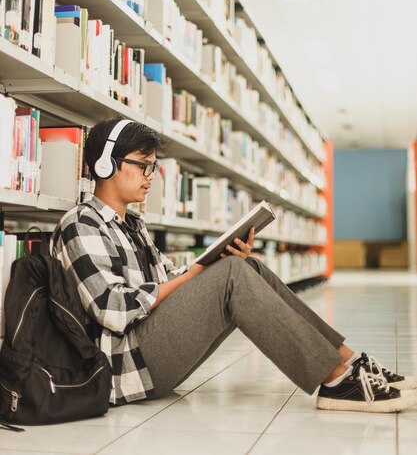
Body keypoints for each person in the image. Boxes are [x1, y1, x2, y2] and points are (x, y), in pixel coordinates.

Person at [51, 117, 417, 413]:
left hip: (148, 347)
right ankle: (336, 382)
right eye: (143, 165)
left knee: (246, 268)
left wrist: (214, 263)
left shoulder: (134, 225)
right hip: (123, 365)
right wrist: (201, 275)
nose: (151, 176)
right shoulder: (80, 223)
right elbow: (112, 309)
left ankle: (348, 362)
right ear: (106, 165)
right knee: (230, 275)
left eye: (154, 166)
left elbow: (170, 280)